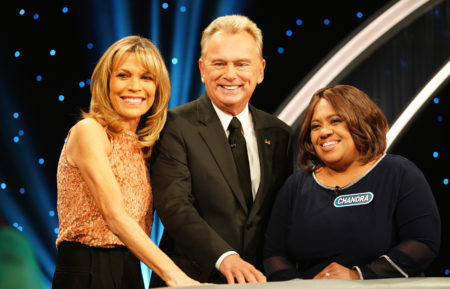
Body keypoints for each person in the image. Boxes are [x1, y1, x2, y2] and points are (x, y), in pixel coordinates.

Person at [149, 15, 292, 286]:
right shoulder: (173, 126)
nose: (230, 74)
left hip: (258, 279)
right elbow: (174, 206)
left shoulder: (280, 133)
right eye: (219, 63)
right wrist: (225, 257)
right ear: (202, 69)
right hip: (192, 280)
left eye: (241, 64)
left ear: (260, 70)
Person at [52, 35, 201, 289]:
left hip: (130, 269)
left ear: (158, 88)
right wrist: (177, 277)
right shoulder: (89, 131)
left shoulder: (140, 145)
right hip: (88, 271)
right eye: (123, 75)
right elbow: (114, 216)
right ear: (105, 82)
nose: (135, 86)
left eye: (146, 77)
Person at [263, 84, 441, 280]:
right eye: (316, 126)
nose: (324, 132)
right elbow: (274, 254)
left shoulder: (399, 173)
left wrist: (358, 277)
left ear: (361, 122)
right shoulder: (295, 186)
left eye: (335, 121)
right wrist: (298, 286)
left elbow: (422, 242)